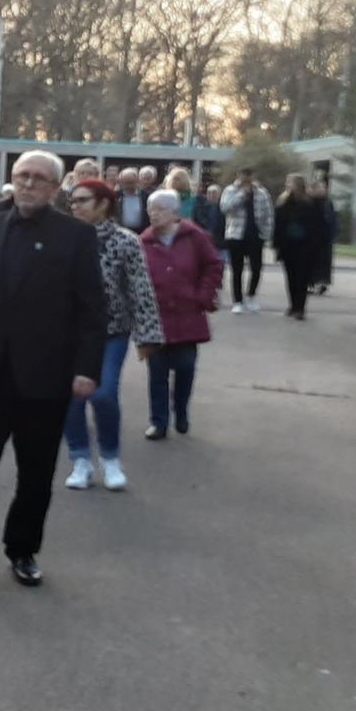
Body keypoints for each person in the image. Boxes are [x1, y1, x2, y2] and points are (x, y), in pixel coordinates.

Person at [0, 151, 105, 588]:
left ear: (55, 188)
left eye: (38, 178)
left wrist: (87, 368)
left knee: (35, 471)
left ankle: (23, 549)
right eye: (21, 176)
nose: (27, 184)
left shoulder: (76, 237)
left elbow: (91, 310)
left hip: (44, 377)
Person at [61, 178, 164, 492]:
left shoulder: (125, 241)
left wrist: (147, 336)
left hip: (112, 332)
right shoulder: (63, 238)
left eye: (82, 200)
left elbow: (140, 290)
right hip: (67, 334)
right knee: (71, 399)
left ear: (103, 204)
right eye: (72, 201)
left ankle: (110, 458)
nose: (74, 206)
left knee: (103, 393)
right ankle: (80, 459)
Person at [139, 189, 223, 440]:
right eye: (151, 209)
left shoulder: (195, 236)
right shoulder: (143, 241)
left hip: (189, 314)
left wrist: (204, 295)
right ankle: (159, 422)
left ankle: (182, 410)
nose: (154, 214)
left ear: (175, 213)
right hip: (157, 318)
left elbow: (214, 265)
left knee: (185, 367)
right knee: (157, 373)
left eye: (160, 209)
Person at [272, 173, 329, 321]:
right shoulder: (283, 202)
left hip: (305, 247)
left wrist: (317, 245)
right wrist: (276, 244)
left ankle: (300, 308)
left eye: (289, 183)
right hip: (288, 246)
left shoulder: (311, 202)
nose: (287, 185)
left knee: (302, 278)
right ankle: (293, 305)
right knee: (290, 277)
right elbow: (278, 224)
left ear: (298, 185)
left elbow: (320, 225)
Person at [219, 168, 274, 314]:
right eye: (242, 175)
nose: (245, 178)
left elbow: (269, 214)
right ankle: (237, 301)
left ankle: (251, 295)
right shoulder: (230, 190)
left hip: (255, 236)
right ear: (238, 176)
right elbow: (225, 208)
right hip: (235, 235)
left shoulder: (262, 193)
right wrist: (242, 195)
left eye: (248, 175)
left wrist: (266, 233)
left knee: (256, 268)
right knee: (237, 270)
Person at [310, 179, 338, 294]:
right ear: (314, 189)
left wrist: (333, 233)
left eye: (324, 187)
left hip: (325, 238)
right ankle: (310, 283)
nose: (323, 189)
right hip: (312, 237)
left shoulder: (328, 202)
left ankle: (323, 282)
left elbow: (332, 219)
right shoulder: (309, 202)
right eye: (320, 187)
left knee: (325, 262)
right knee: (311, 261)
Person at [116, 167, 148, 232]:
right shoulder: (115, 196)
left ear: (137, 181)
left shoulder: (146, 196)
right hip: (120, 232)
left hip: (141, 232)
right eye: (125, 183)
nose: (128, 186)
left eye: (130, 182)